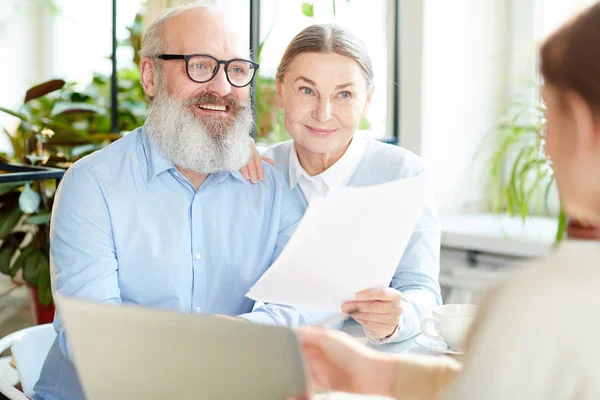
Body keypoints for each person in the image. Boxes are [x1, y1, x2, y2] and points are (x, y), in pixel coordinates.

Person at [296, 3, 600, 399]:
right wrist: (376, 374)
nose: (543, 141)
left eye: (547, 112)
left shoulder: (542, 304)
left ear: (577, 121)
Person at [33, 5, 327, 400]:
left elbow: (312, 299)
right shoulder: (93, 186)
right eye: (201, 66)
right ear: (150, 76)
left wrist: (255, 331)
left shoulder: (271, 187)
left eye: (237, 70)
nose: (223, 88)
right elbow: (93, 341)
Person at [243, 24, 442, 343]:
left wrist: (397, 316)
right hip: (267, 353)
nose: (323, 113)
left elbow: (424, 291)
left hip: (366, 363)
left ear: (368, 99)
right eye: (307, 90)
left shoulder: (404, 174)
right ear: (280, 91)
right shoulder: (256, 171)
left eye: (344, 94)